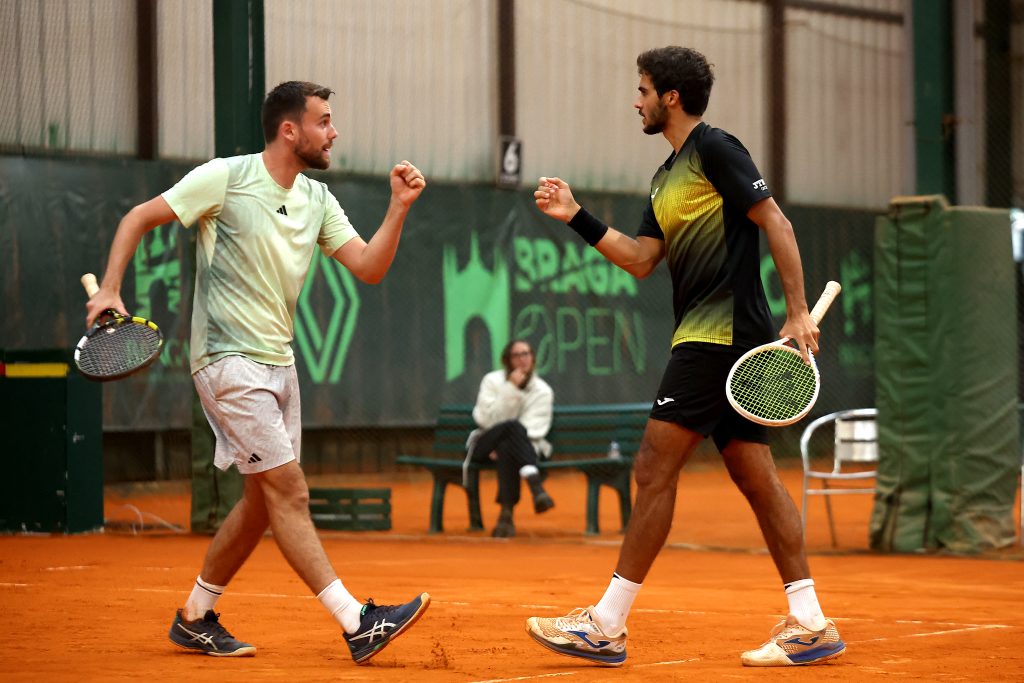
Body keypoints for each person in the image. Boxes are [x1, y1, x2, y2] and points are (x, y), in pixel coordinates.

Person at [84, 81, 430, 664]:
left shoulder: (318, 198)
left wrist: (397, 209)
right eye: (324, 121)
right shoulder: (226, 176)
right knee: (290, 489)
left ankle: (195, 616)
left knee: (262, 503)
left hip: (280, 362)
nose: (334, 131)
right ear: (289, 130)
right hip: (226, 360)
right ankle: (357, 622)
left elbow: (368, 267)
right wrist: (112, 286)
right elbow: (139, 217)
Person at [525, 47, 845, 667]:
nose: (636, 99)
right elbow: (643, 259)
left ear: (670, 96)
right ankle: (810, 622)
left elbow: (774, 219)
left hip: (718, 335)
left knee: (652, 466)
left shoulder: (718, 149)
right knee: (756, 476)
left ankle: (606, 624)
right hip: (714, 337)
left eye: (642, 89)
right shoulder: (664, 177)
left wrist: (799, 309)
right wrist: (576, 217)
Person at [464, 339, 555, 538]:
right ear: (507, 360)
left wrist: (506, 441)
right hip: (485, 446)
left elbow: (534, 429)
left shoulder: (543, 391)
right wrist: (511, 389)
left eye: (526, 353)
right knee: (512, 429)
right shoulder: (491, 381)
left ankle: (506, 516)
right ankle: (535, 485)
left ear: (533, 357)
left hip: (519, 449)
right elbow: (488, 420)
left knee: (507, 445)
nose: (523, 359)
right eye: (517, 355)